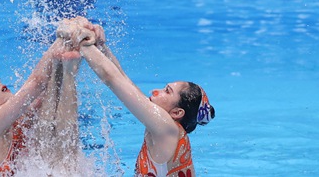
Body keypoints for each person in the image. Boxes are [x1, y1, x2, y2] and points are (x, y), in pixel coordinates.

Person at [69, 21, 215, 177]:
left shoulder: (167, 129)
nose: (155, 91)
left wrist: (82, 42)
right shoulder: (165, 128)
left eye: (167, 91)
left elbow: (112, 79)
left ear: (177, 112)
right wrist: (100, 46)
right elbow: (125, 81)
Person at [0, 19, 87, 176]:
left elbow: (53, 93)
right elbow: (37, 83)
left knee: (49, 121)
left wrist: (77, 45)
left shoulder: (17, 123)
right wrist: (64, 36)